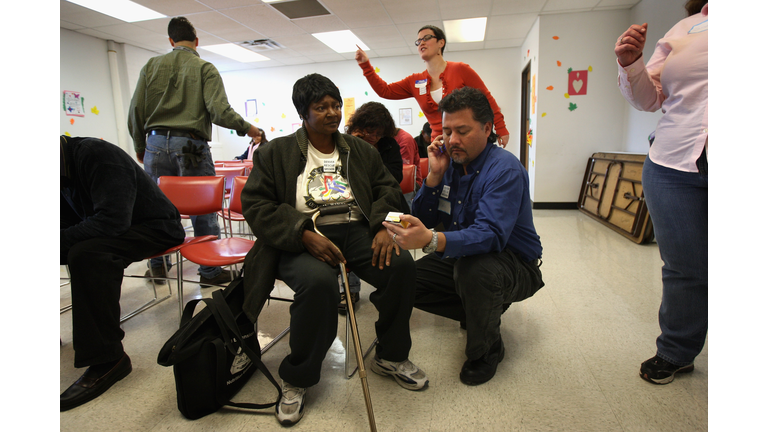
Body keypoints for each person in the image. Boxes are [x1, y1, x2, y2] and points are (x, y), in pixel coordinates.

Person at [239, 74, 428, 426]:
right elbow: (256, 205)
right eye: (321, 107)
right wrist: (301, 232)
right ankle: (298, 376)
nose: (332, 113)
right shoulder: (275, 152)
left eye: (335, 105)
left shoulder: (361, 151)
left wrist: (388, 225)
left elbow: (389, 191)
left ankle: (390, 355)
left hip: (357, 230)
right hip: (302, 236)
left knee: (401, 266)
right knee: (319, 284)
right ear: (303, 113)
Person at [384, 87, 544, 386]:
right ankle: (482, 307)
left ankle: (486, 351)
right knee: (407, 281)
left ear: (487, 129)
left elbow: (490, 236)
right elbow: (426, 218)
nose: (452, 139)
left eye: (462, 130)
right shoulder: (451, 163)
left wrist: (431, 241)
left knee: (476, 272)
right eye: (446, 131)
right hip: (464, 253)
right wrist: (433, 177)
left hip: (513, 262)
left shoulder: (504, 170)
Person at [127, 16, 261, 287]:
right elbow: (219, 111)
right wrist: (249, 129)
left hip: (154, 143)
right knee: (203, 208)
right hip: (189, 146)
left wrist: (141, 147)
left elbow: (135, 112)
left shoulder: (150, 66)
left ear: (170, 40)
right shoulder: (204, 68)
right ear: (197, 41)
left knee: (156, 208)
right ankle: (209, 272)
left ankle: (158, 265)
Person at [615, 0, 708, 385]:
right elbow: (648, 98)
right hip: (675, 160)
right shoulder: (684, 29)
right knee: (684, 267)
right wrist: (630, 63)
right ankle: (676, 349)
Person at [60, 136, 185, 411]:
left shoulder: (96, 155)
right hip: (118, 228)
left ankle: (108, 359)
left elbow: (112, 221)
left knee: (86, 254)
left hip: (156, 227)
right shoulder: (62, 170)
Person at [355, 25, 510, 148]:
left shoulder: (460, 69)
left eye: (426, 38)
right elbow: (385, 91)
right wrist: (365, 65)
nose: (421, 42)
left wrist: (501, 128)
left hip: (466, 141)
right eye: (418, 41)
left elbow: (487, 99)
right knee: (443, 186)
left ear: (441, 43)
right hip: (440, 144)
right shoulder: (415, 81)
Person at [342, 101, 411, 313]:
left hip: (391, 206)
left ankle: (392, 285)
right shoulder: (345, 143)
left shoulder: (388, 145)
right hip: (357, 206)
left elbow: (394, 178)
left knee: (402, 231)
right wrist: (357, 146)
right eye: (369, 132)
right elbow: (344, 180)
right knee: (352, 232)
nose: (374, 138)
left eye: (378, 134)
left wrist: (370, 152)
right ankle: (351, 290)